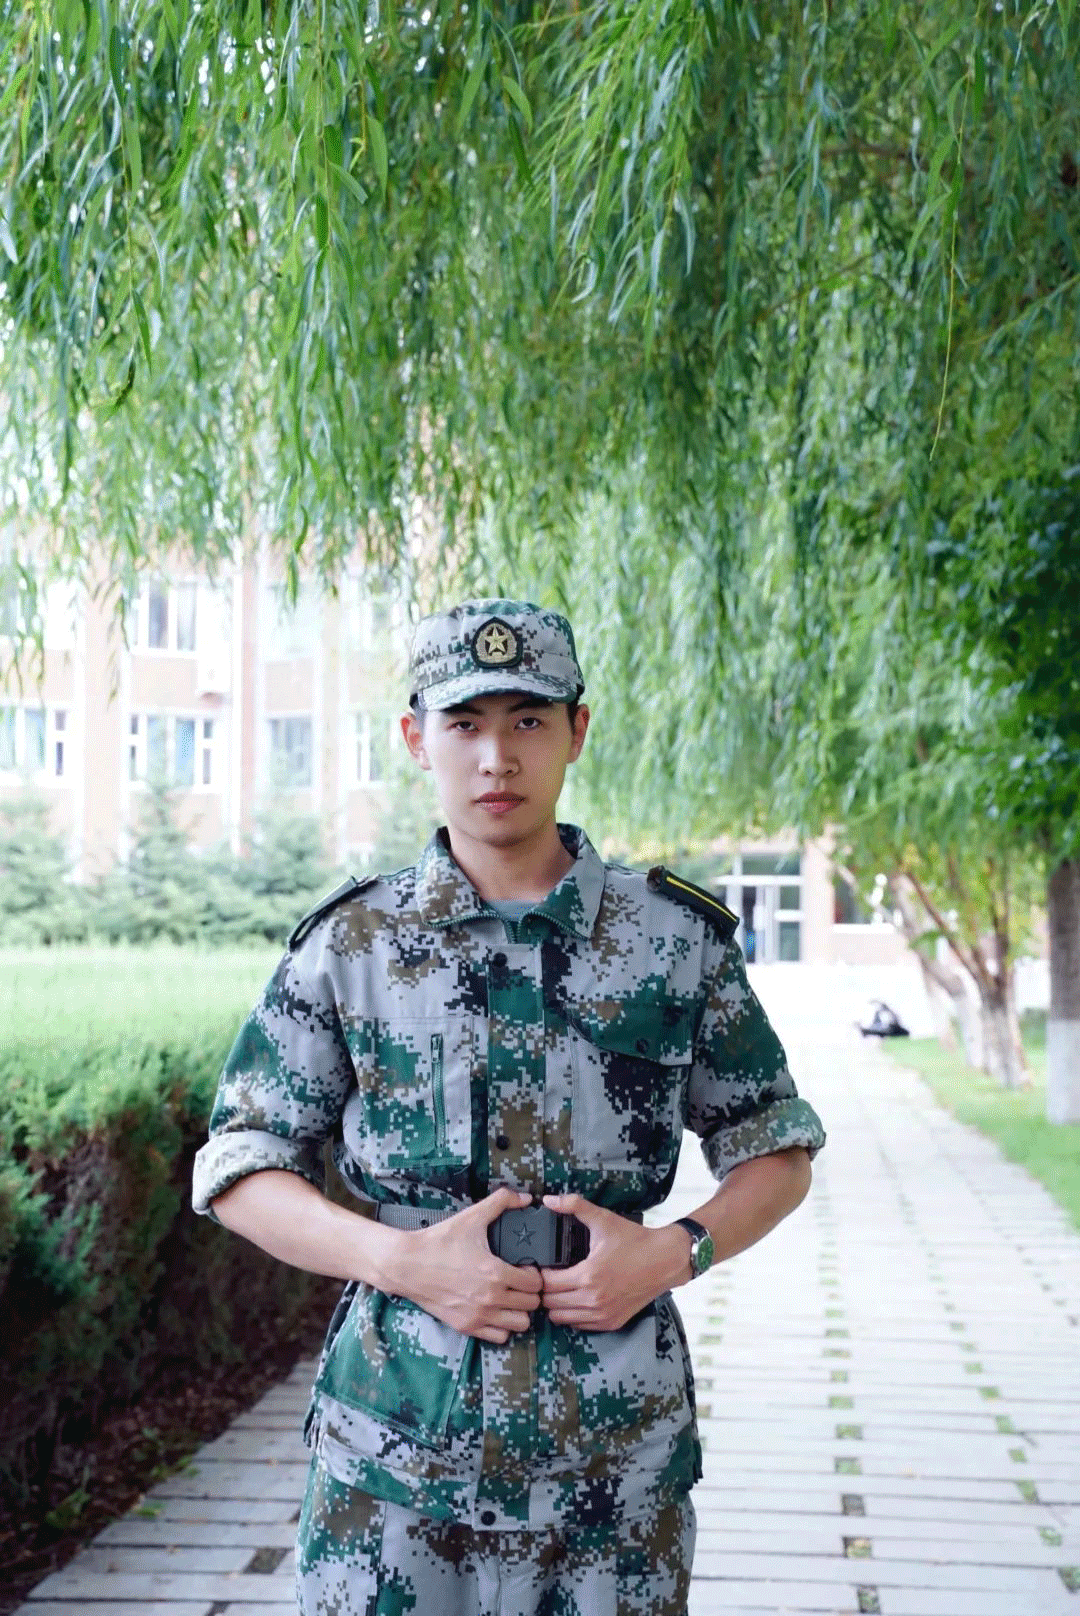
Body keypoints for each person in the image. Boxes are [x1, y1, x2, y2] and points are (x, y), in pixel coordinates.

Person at [192, 597, 826, 1616]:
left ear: (578, 730)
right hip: (393, 1461)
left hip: (613, 1469)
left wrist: (673, 1252)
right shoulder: (352, 944)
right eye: (465, 722)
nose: (496, 757)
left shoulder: (674, 940)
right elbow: (240, 1162)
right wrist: (398, 1260)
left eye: (528, 719)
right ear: (417, 737)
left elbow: (776, 1147)